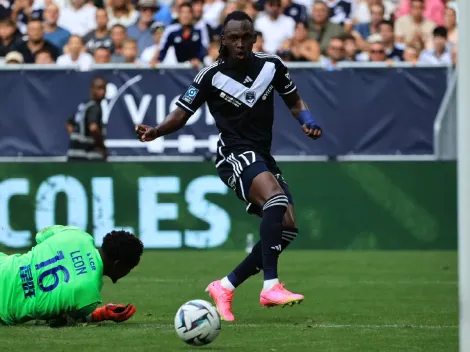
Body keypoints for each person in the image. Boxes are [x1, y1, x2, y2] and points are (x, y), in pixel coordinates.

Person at [136, 10, 322, 322]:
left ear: (254, 39)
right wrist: (156, 130)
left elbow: (294, 101)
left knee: (286, 228)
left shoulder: (272, 66)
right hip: (233, 153)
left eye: (245, 37)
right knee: (275, 199)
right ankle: (271, 286)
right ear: (223, 40)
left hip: (261, 154)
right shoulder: (210, 76)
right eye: (233, 38)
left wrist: (308, 120)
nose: (239, 43)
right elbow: (181, 114)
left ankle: (225, 285)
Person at [0, 225, 143, 326]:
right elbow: (59, 318)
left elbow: (41, 236)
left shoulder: (77, 235)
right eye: (129, 267)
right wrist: (103, 314)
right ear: (117, 264)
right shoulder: (89, 296)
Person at [67, 76, 108, 161]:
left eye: (104, 88)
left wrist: (76, 141)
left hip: (74, 153)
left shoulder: (84, 105)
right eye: (99, 88)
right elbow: (93, 128)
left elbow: (69, 124)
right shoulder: (94, 107)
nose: (102, 92)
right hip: (87, 156)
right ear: (92, 89)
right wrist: (100, 145)